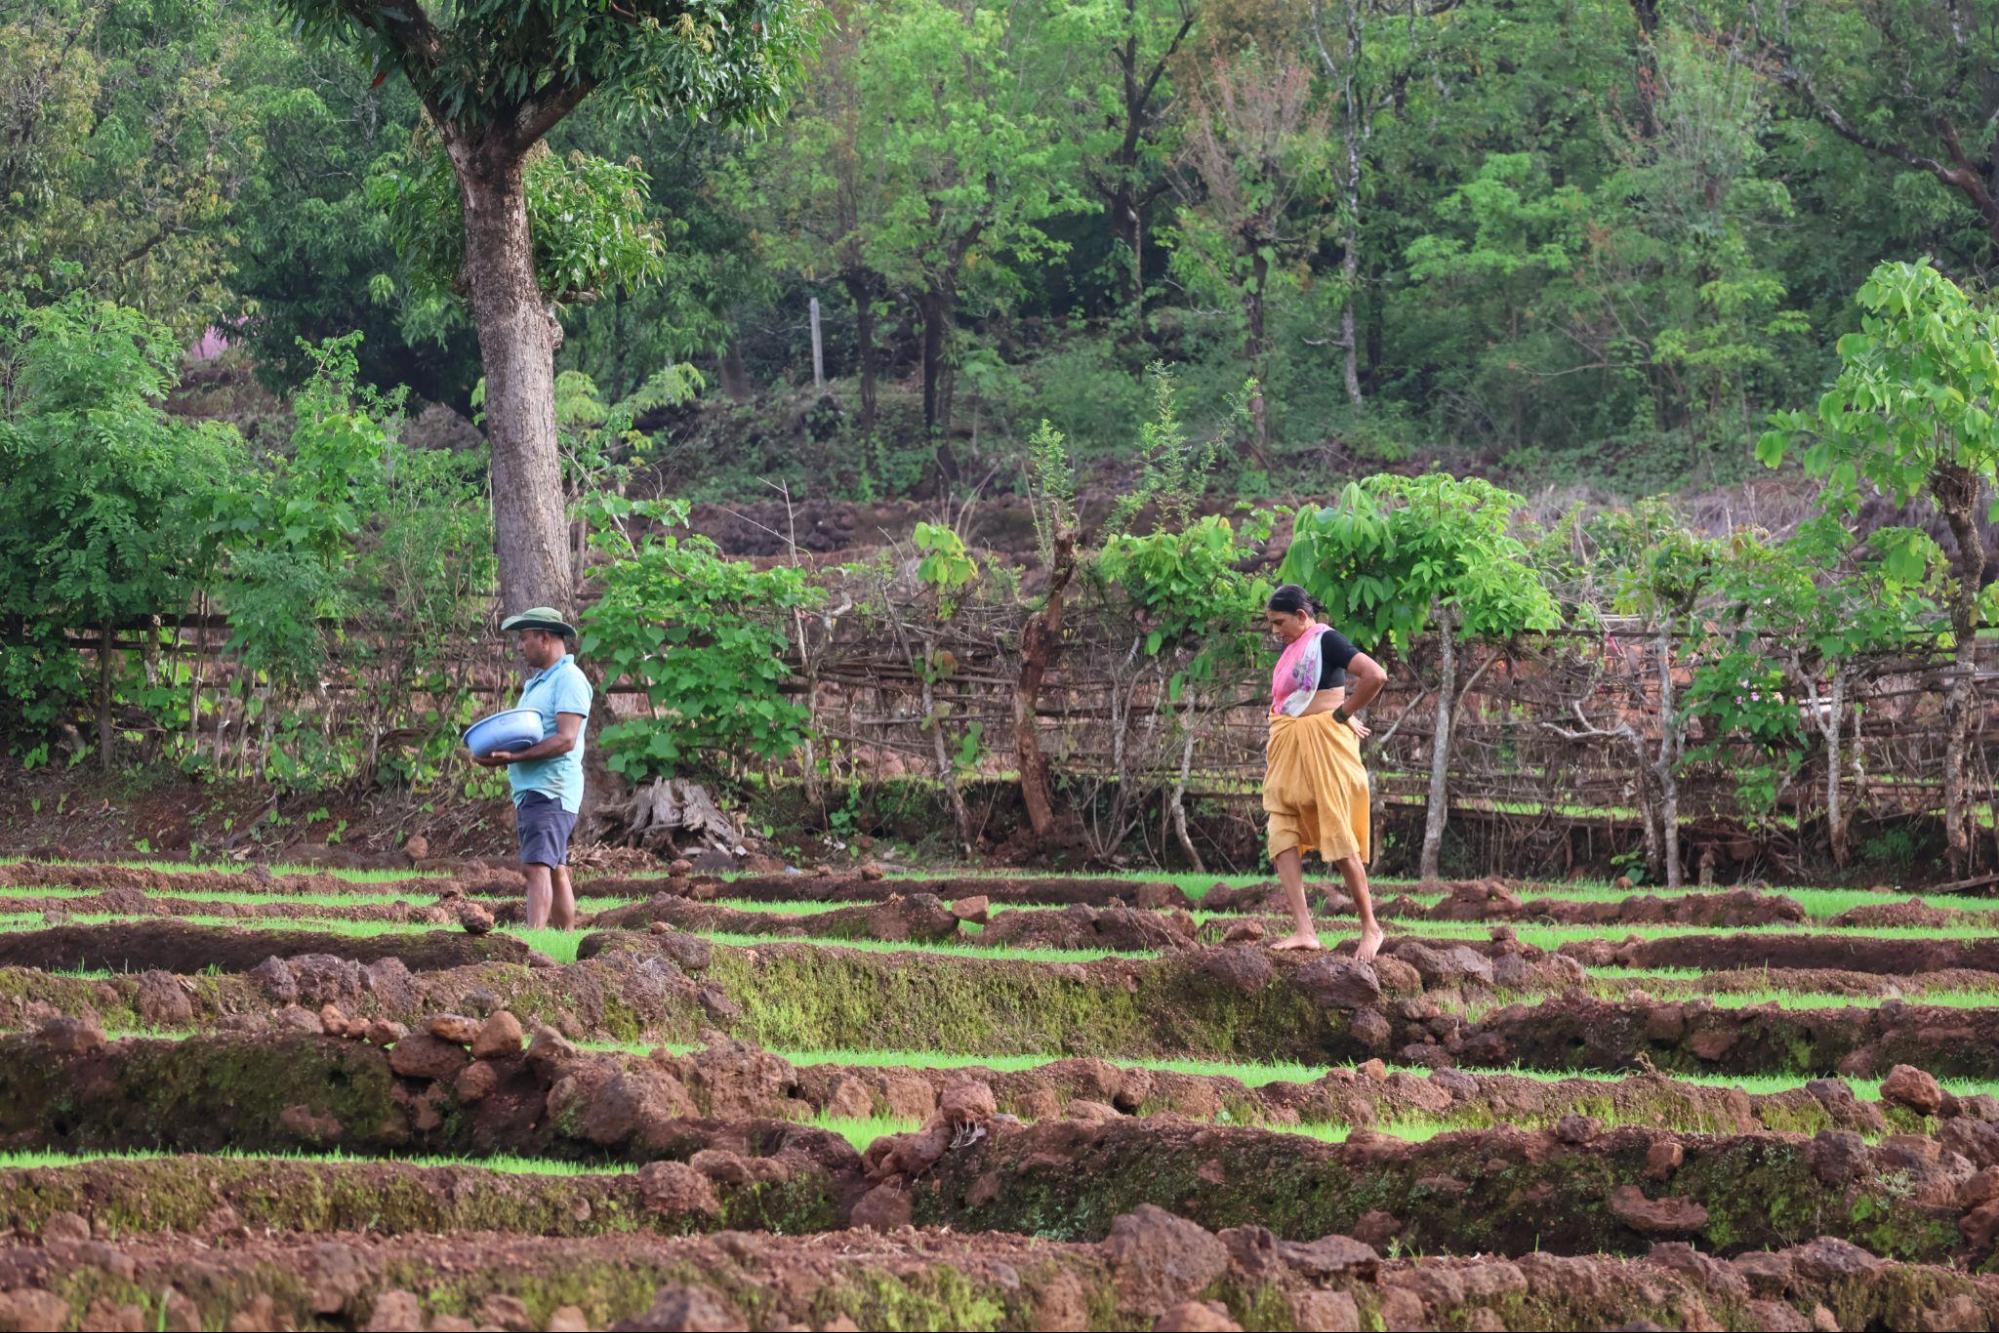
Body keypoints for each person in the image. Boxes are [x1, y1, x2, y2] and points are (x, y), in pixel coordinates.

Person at [1261, 584, 1388, 960]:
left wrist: (1343, 714)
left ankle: (1371, 927)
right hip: (1289, 745)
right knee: (1281, 830)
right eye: (1270, 624)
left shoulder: (1326, 640)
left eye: (1279, 622)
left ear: (1302, 616)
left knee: (1336, 832)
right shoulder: (1292, 650)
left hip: (1323, 748)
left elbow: (1375, 676)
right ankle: (1305, 929)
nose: (1274, 631)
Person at [475, 607, 592, 929]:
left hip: (551, 788)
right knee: (554, 867)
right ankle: (563, 936)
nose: (520, 646)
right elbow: (528, 737)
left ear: (545, 638)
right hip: (534, 788)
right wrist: (498, 754)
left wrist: (513, 759)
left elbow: (566, 739)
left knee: (536, 866)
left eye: (524, 639)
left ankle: (534, 936)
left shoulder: (569, 679)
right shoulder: (536, 684)